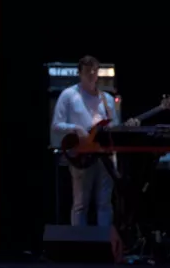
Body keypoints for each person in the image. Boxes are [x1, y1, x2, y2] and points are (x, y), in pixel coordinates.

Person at [50, 55, 138, 226]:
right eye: (87, 72)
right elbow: (56, 124)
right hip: (82, 155)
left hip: (105, 155)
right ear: (80, 73)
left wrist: (128, 126)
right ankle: (79, 245)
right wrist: (75, 128)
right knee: (81, 203)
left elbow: (114, 128)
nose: (91, 75)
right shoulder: (69, 95)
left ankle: (105, 245)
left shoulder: (108, 99)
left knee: (105, 202)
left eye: (94, 72)